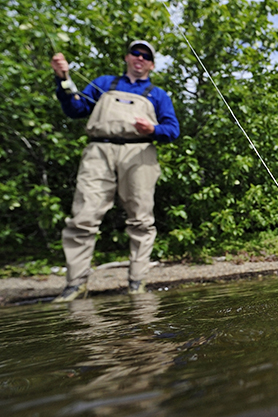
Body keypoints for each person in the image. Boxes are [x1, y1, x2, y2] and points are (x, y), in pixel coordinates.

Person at [50, 40, 180, 301]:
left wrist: (153, 130)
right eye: (136, 53)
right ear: (127, 57)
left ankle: (137, 282)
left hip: (140, 153)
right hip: (99, 151)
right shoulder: (105, 83)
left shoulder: (158, 94)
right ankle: (75, 285)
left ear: (152, 64)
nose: (140, 58)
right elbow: (74, 109)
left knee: (141, 219)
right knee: (83, 216)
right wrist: (62, 79)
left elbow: (173, 130)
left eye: (146, 56)